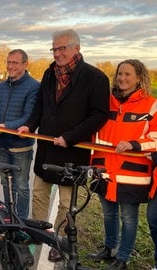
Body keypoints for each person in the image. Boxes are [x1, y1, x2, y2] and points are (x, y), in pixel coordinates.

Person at [17, 29, 110, 262]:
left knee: (66, 203)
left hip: (72, 151)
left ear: (76, 48)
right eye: (54, 49)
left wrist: (70, 137)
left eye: (62, 48)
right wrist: (29, 125)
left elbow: (99, 115)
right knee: (39, 194)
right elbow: (40, 106)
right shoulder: (50, 74)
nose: (57, 53)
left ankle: (59, 240)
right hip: (47, 148)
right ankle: (38, 233)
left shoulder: (95, 78)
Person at [86, 59, 157, 270]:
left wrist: (134, 144)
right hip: (104, 168)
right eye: (120, 74)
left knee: (128, 218)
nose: (122, 78)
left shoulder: (150, 104)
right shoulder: (105, 101)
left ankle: (123, 258)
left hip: (131, 173)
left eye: (127, 74)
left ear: (139, 78)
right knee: (108, 213)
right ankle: (110, 249)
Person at [0, 49, 39, 219]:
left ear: (25, 64)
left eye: (15, 62)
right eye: (8, 62)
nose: (10, 66)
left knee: (21, 185)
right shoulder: (1, 87)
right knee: (5, 182)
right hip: (1, 144)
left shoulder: (34, 87)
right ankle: (10, 215)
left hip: (21, 147)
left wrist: (6, 126)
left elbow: (28, 117)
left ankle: (22, 221)